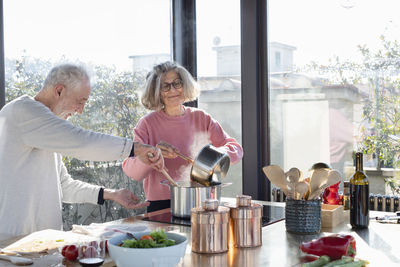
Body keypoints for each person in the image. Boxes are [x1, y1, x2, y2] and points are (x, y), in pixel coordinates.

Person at [0, 64, 164, 239]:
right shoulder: (22, 111)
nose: (80, 110)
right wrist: (135, 148)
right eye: (80, 101)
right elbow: (81, 141)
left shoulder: (45, 130)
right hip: (13, 240)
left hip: (40, 241)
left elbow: (65, 186)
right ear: (59, 91)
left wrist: (112, 194)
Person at [122, 61, 243, 212]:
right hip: (161, 205)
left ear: (184, 85)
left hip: (203, 199)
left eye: (177, 83)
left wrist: (212, 157)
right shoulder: (146, 124)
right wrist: (151, 154)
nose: (172, 90)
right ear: (157, 91)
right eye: (165, 86)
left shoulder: (201, 118)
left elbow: (236, 149)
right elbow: (132, 171)